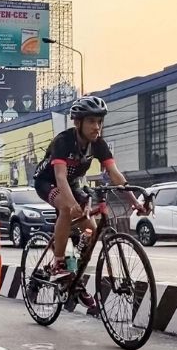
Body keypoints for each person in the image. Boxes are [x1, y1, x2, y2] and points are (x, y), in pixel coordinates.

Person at [32, 96, 147, 310]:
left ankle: (74, 280)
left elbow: (114, 174)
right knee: (66, 208)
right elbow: (60, 177)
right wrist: (70, 202)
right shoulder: (64, 141)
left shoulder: (98, 144)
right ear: (78, 123)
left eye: (100, 121)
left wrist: (135, 201)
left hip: (73, 183)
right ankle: (58, 263)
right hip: (47, 181)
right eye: (92, 121)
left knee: (91, 233)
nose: (97, 127)